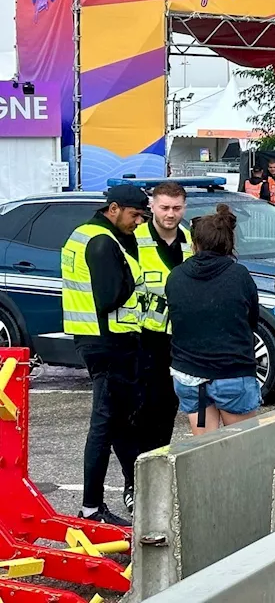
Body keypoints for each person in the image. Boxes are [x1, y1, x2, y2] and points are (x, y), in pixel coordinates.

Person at [61, 185, 149, 526]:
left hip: (98, 339)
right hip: (107, 342)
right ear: (114, 209)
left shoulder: (87, 235)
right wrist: (131, 276)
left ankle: (132, 488)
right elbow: (109, 297)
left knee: (118, 423)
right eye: (134, 215)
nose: (138, 222)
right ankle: (91, 508)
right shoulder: (101, 242)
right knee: (105, 423)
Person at [166, 204, 261, 434]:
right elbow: (252, 320)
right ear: (229, 244)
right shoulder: (239, 276)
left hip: (189, 375)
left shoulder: (176, 276)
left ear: (194, 244)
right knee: (241, 447)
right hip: (232, 374)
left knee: (204, 449)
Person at [134, 182, 192, 455]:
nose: (170, 214)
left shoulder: (191, 241)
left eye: (177, 208)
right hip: (143, 338)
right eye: (165, 207)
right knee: (143, 408)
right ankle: (136, 474)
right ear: (152, 206)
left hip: (179, 338)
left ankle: (158, 462)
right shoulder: (134, 240)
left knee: (169, 406)